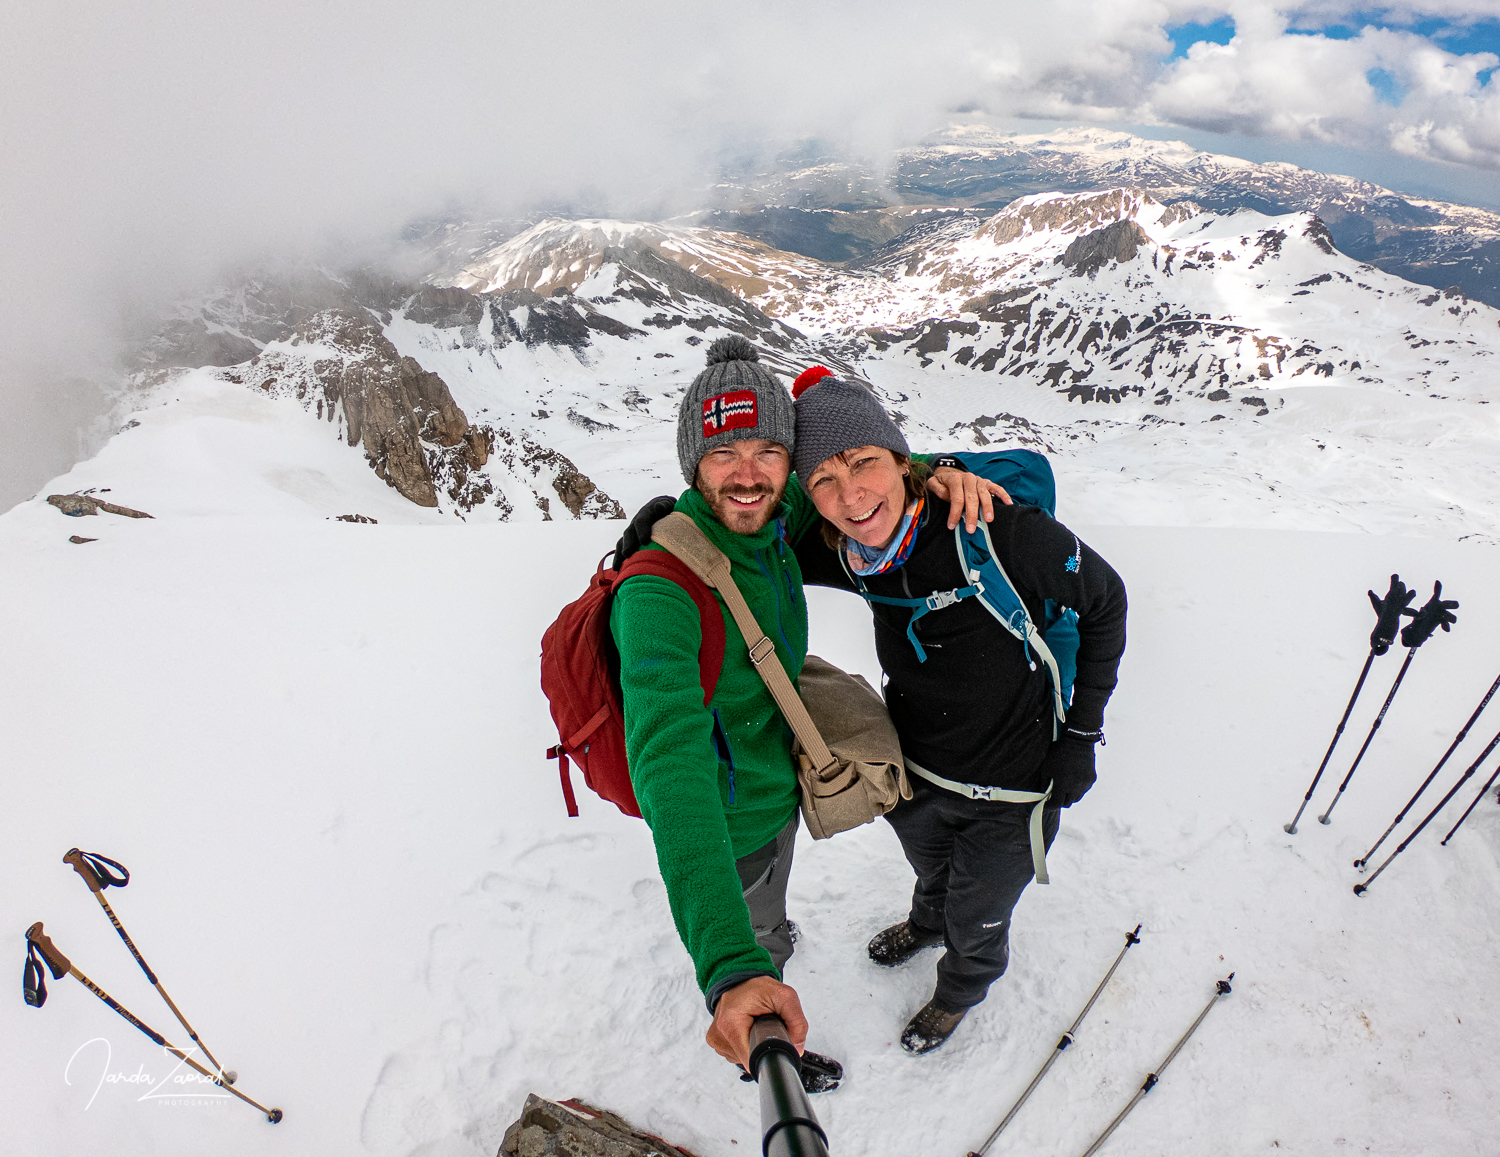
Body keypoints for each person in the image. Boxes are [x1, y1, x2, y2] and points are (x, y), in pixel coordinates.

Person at [610, 339, 996, 1085]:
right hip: (732, 821)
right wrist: (729, 968)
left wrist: (941, 472)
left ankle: (771, 932)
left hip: (776, 779)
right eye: (723, 453)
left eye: (766, 451)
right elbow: (670, 767)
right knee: (757, 940)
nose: (748, 474)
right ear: (692, 463)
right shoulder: (658, 595)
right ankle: (767, 1034)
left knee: (772, 903)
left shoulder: (777, 513)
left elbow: (888, 477)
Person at [788, 371, 1129, 1055]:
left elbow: (1107, 601)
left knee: (980, 913)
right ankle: (925, 923)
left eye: (863, 462)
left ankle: (959, 990)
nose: (851, 495)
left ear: (899, 460)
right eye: (824, 479)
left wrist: (1083, 734)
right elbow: (751, 532)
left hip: (1013, 790)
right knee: (933, 874)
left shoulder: (994, 529)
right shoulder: (848, 552)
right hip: (915, 780)